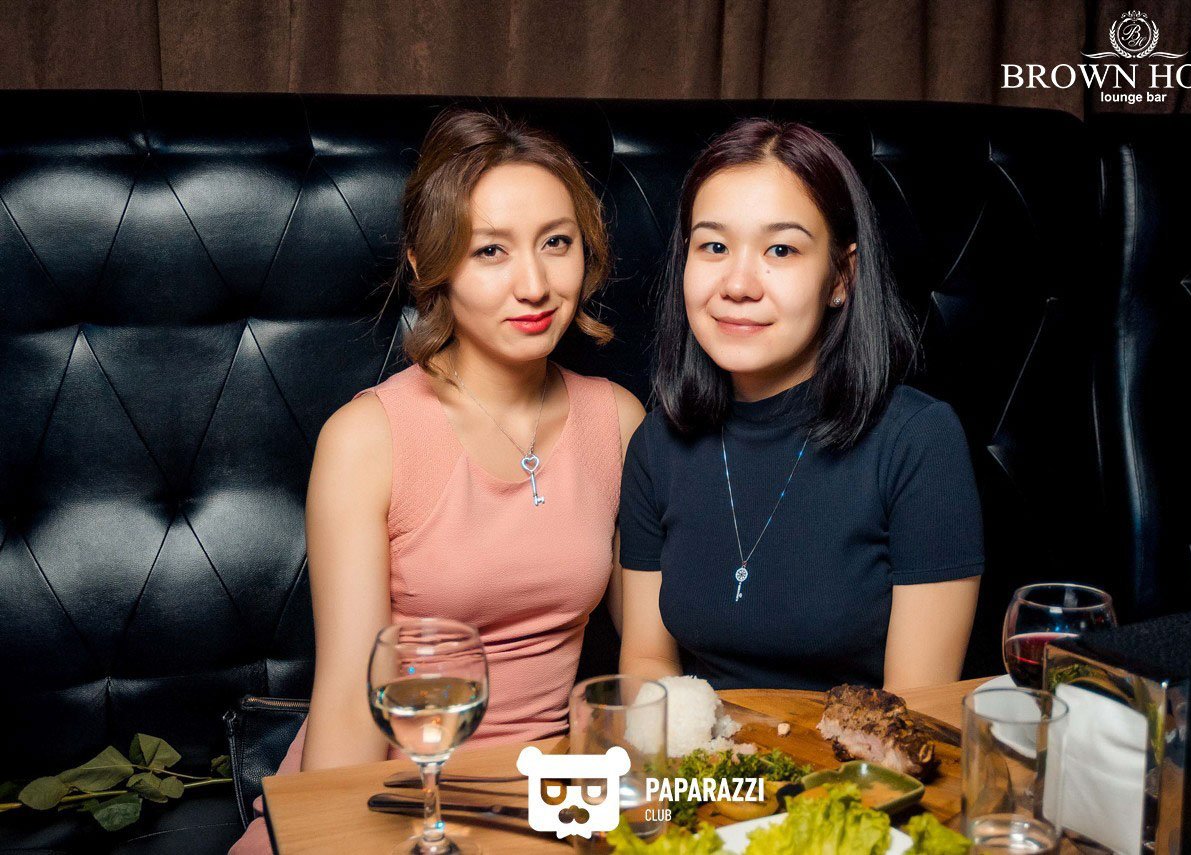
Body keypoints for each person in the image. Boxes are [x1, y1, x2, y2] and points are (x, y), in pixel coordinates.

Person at [231, 108, 644, 852]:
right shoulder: (367, 440)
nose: (534, 284)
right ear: (428, 265)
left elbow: (652, 662)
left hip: (548, 802)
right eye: (490, 250)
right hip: (394, 797)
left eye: (557, 243)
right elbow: (351, 706)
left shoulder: (616, 420)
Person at [618, 118, 983, 693]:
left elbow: (917, 705)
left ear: (841, 277)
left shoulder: (918, 440)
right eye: (714, 246)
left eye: (781, 249)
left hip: (861, 750)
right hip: (705, 750)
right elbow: (644, 665)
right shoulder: (656, 444)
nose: (739, 284)